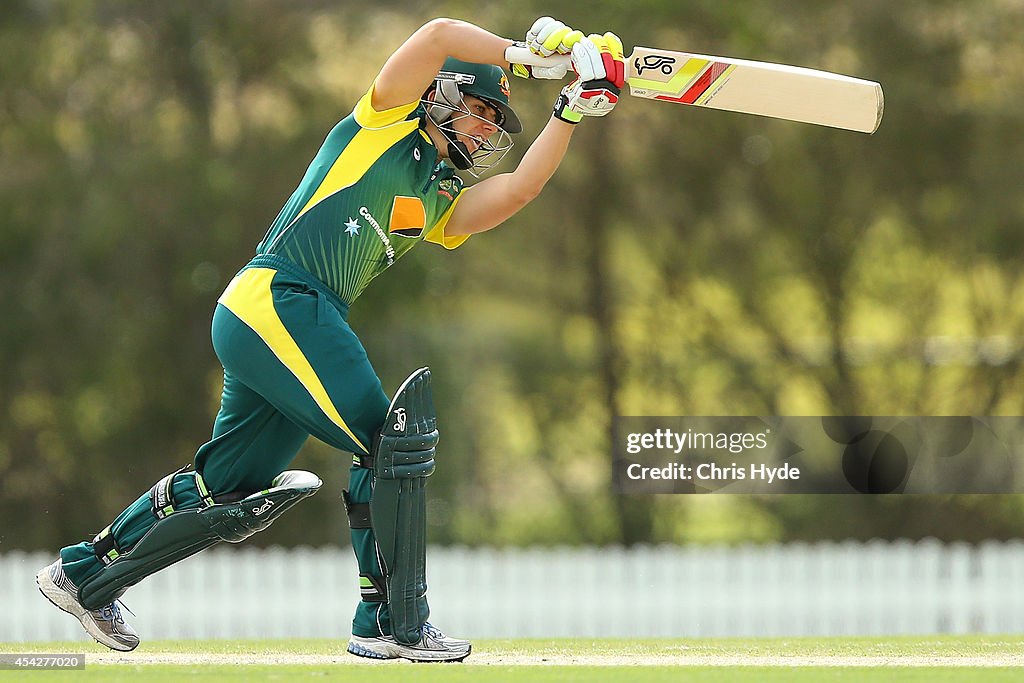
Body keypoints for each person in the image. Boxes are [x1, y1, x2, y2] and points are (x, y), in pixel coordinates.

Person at [35, 16, 625, 662]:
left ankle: (83, 574)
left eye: (495, 124)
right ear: (446, 94)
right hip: (282, 296)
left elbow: (519, 190)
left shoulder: (439, 193)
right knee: (390, 441)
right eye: (483, 111)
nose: (487, 131)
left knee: (225, 486)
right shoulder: (385, 120)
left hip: (281, 315)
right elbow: (434, 36)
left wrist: (570, 111)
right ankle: (390, 620)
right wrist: (518, 57)